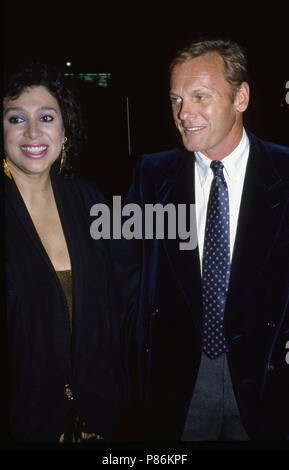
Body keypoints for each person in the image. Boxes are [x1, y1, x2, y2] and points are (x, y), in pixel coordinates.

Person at [126, 38, 289, 441]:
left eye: (200, 96)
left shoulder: (285, 171)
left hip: (268, 379)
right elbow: (126, 275)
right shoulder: (152, 175)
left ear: (241, 97)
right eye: (176, 99)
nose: (184, 113)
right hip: (178, 382)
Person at [3, 62, 136, 444]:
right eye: (16, 118)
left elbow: (136, 288)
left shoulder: (90, 200)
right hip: (25, 424)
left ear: (65, 130)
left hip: (101, 416)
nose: (32, 132)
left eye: (46, 117)